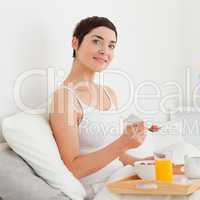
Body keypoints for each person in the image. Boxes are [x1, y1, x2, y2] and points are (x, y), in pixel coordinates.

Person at [49, 16, 152, 191]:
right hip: (101, 189)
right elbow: (73, 169)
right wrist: (123, 143)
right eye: (97, 41)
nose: (105, 50)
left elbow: (115, 156)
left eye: (111, 45)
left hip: (122, 179)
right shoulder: (65, 98)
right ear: (75, 43)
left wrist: (144, 163)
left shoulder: (109, 94)